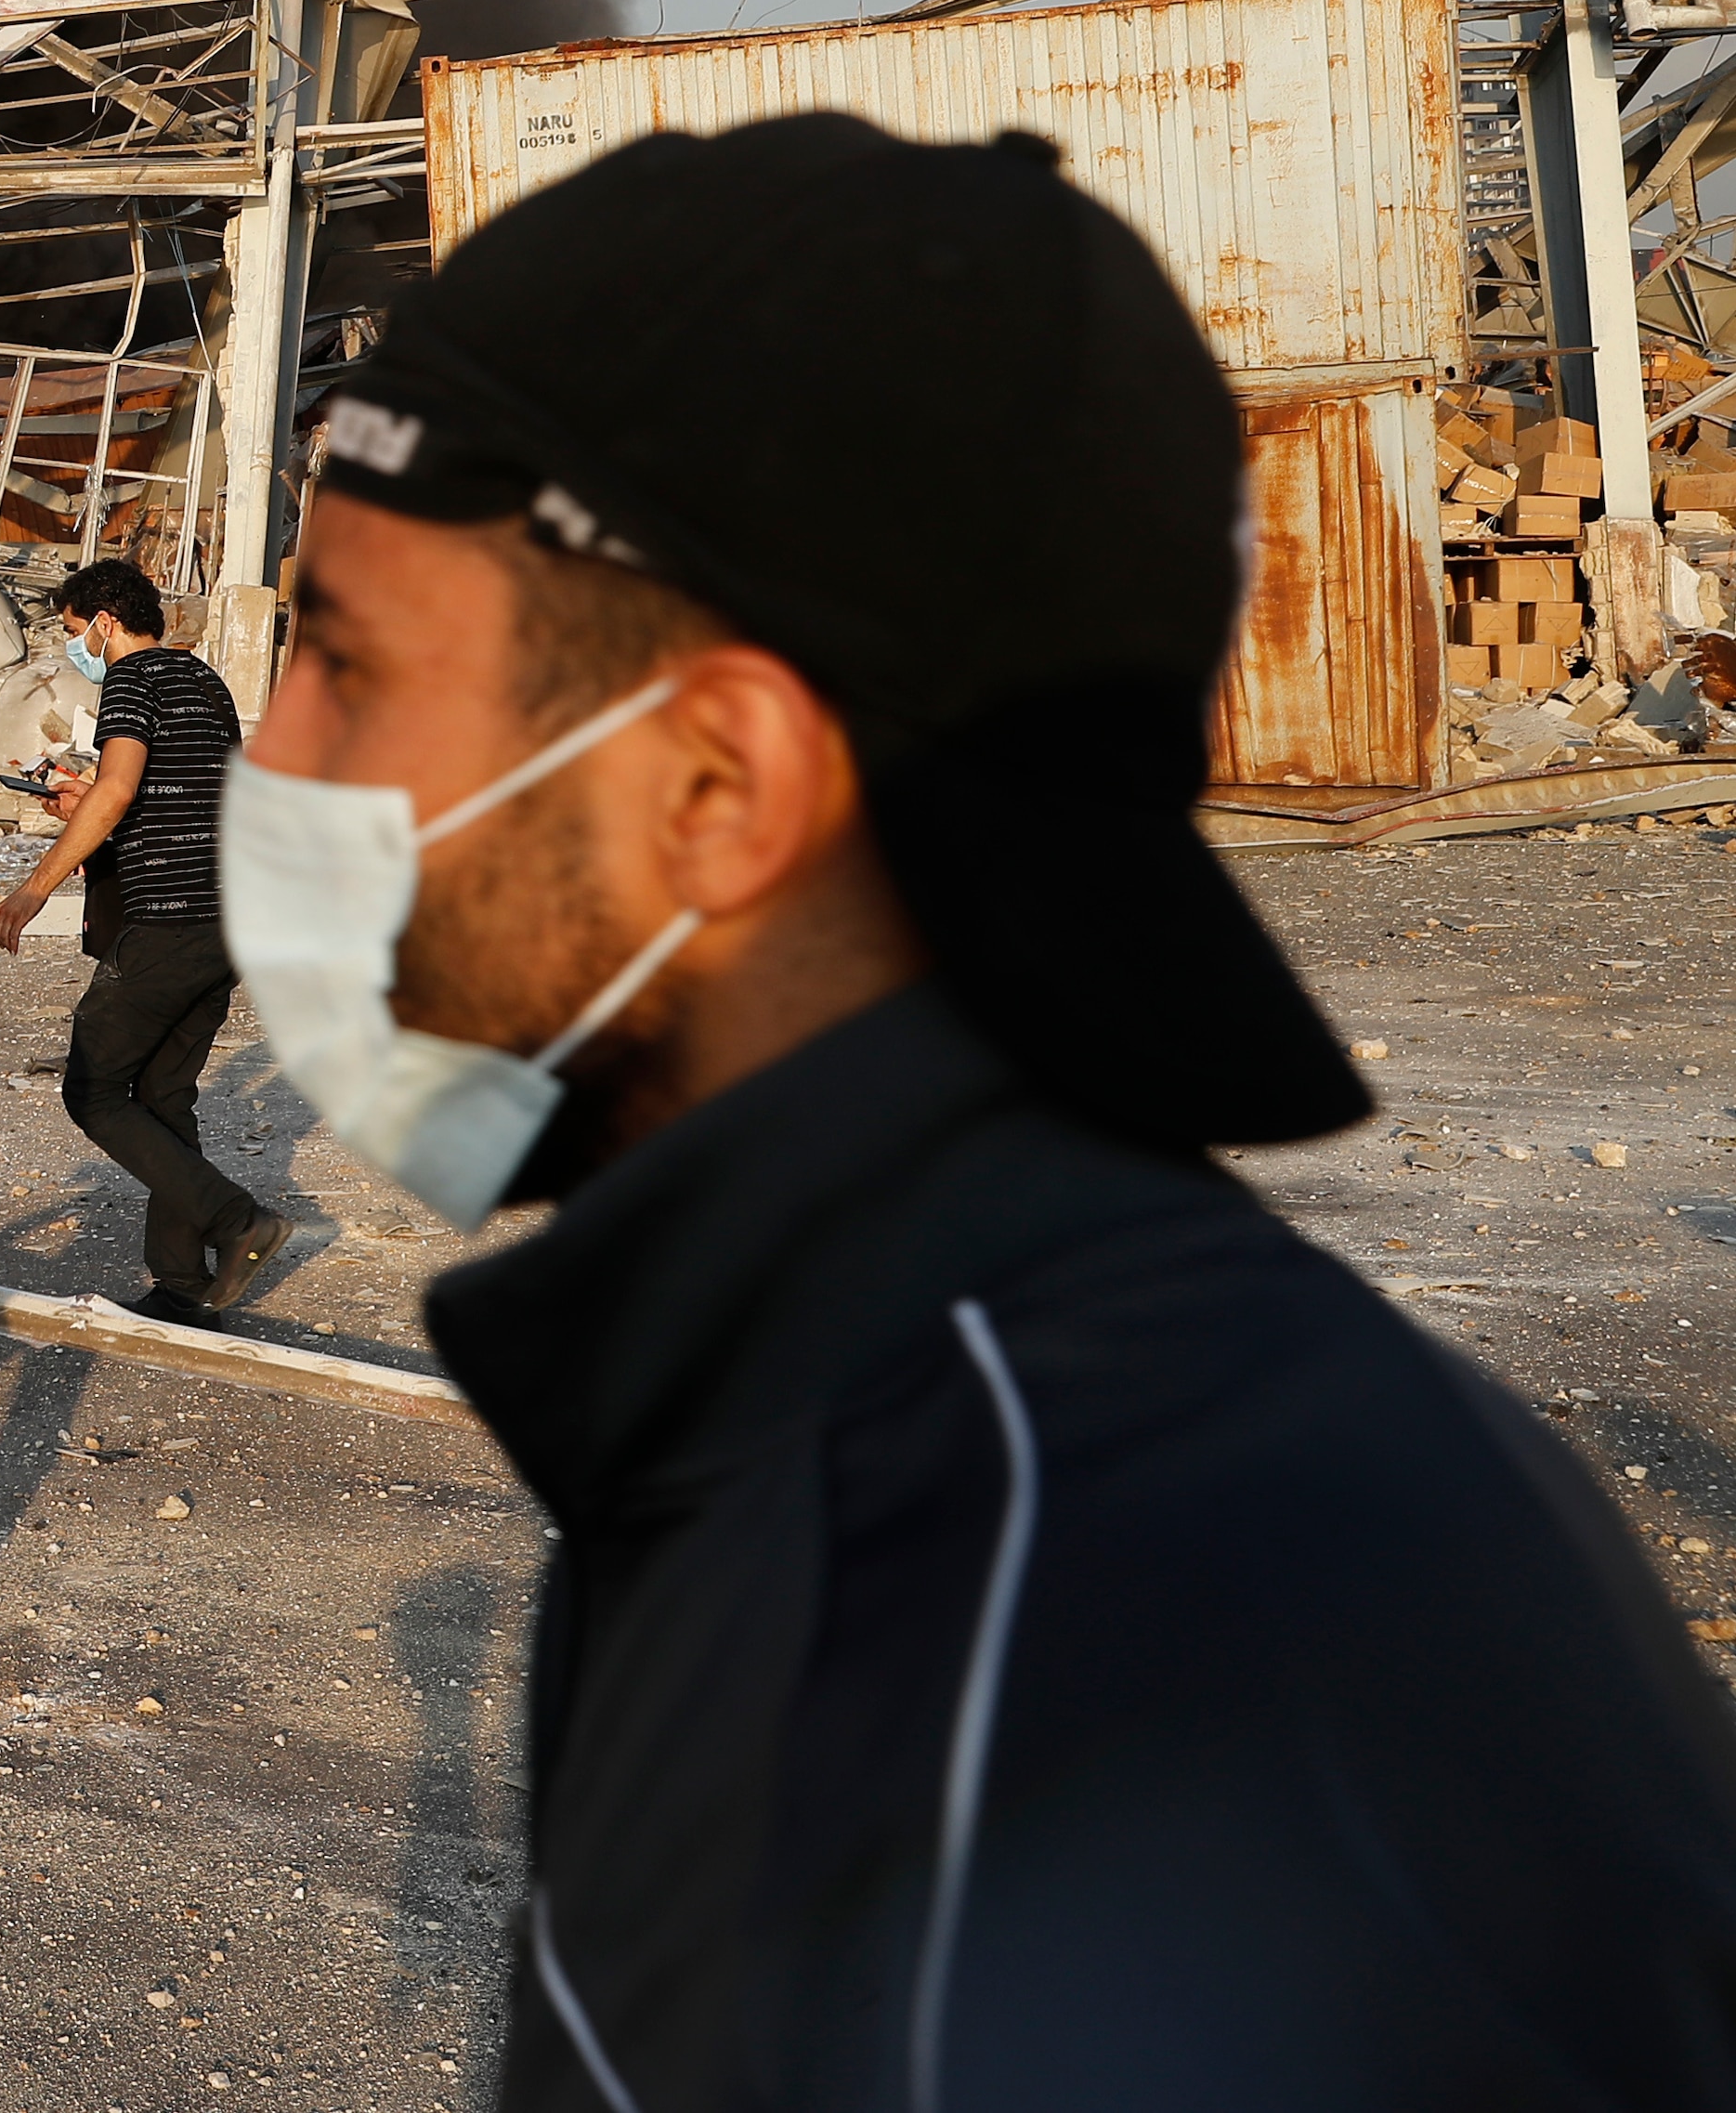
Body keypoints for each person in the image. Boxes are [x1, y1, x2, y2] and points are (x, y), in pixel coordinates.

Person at [228, 114, 1736, 2109]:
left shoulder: (1074, 1677)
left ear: (716, 781)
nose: (275, 754)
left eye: (340, 657)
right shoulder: (845, 1428)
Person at [0, 558, 291, 1322]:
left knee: (93, 1088)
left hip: (166, 919)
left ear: (103, 620)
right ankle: (182, 1284)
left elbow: (121, 788)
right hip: (225, 917)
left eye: (71, 632)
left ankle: (237, 1219)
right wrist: (83, 804)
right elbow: (178, 792)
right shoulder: (206, 682)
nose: (74, 649)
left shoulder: (130, 682)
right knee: (162, 1096)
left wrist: (35, 886)